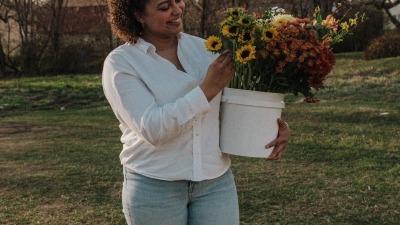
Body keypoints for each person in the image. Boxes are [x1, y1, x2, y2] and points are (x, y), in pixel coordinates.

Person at [102, 0, 290, 224]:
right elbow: (152, 129)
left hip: (215, 182)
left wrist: (271, 126)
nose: (176, 9)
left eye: (178, 1)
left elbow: (232, 104)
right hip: (154, 186)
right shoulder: (122, 62)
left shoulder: (205, 49)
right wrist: (207, 89)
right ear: (138, 15)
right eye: (164, 7)